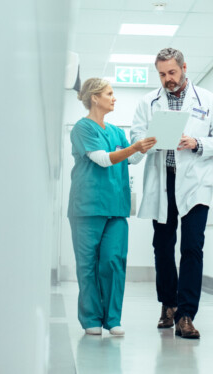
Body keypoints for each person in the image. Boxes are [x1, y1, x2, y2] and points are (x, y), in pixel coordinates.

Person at [131, 48, 213, 339]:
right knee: (162, 248)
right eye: (162, 74)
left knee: (191, 248)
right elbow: (135, 138)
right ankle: (168, 305)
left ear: (185, 67)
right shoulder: (147, 102)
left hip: (196, 184)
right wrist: (144, 142)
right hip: (163, 183)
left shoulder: (209, 101)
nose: (167, 79)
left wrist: (196, 142)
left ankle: (186, 314)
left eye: (172, 72)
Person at [68, 77, 157, 336]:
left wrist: (149, 145)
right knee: (88, 264)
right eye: (109, 93)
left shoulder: (117, 132)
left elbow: (133, 158)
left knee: (114, 262)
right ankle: (91, 319)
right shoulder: (82, 129)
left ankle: (113, 318)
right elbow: (104, 160)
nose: (113, 97)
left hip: (117, 208)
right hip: (87, 207)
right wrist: (134, 148)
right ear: (95, 98)